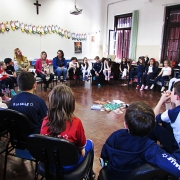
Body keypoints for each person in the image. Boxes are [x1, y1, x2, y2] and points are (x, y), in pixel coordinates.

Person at [100, 102, 180, 180]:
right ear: (152, 127)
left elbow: (104, 156)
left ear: (125, 124)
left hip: (112, 175)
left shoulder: (115, 135)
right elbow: (176, 168)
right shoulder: (150, 148)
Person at [40, 85, 94, 173]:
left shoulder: (45, 121)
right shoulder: (76, 122)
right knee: (90, 143)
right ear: (71, 104)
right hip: (69, 165)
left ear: (51, 102)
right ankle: (90, 173)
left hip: (49, 163)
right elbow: (81, 145)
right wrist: (81, 149)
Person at [152, 81, 180, 150]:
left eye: (173, 92)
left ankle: (152, 150)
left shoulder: (173, 113)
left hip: (177, 148)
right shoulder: (174, 113)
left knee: (152, 125)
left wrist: (161, 101)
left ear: (176, 97)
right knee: (166, 121)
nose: (171, 93)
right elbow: (170, 117)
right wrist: (168, 103)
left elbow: (152, 118)